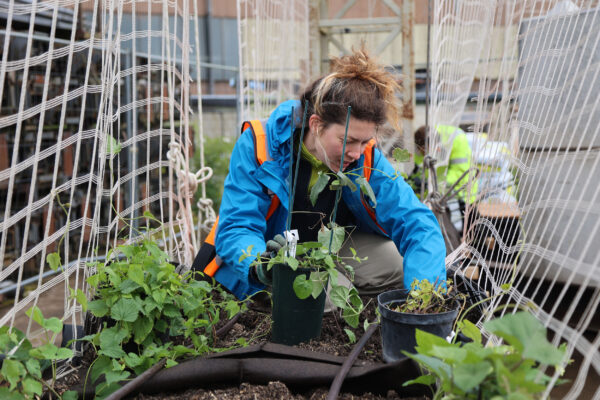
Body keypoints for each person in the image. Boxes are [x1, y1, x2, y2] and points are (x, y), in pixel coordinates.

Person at [202, 49, 447, 300]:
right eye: (347, 140)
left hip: (329, 249)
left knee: (395, 264)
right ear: (316, 125)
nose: (356, 152)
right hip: (274, 257)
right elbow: (237, 227)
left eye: (364, 141)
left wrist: (425, 297)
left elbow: (416, 222)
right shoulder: (261, 145)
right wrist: (260, 265)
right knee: (324, 296)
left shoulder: (366, 157)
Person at [412, 125, 478, 219]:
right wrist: (415, 176)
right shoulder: (422, 140)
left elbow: (459, 173)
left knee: (468, 223)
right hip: (440, 191)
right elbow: (420, 164)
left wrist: (433, 183)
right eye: (421, 151)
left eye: (426, 151)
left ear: (435, 145)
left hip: (463, 190)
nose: (423, 153)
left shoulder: (457, 139)